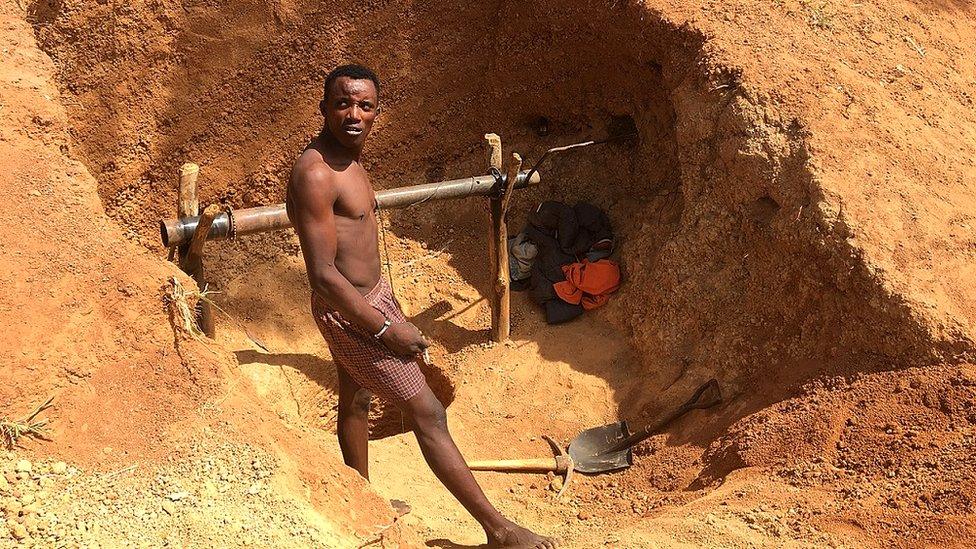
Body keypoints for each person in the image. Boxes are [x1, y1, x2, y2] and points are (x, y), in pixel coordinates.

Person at [286, 64, 556, 549]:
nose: (354, 114)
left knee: (356, 397)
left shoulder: (350, 158)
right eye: (343, 103)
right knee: (428, 411)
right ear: (323, 108)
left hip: (371, 298)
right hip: (351, 309)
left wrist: (385, 307)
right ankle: (499, 531)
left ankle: (360, 502)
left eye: (365, 106)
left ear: (377, 112)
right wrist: (387, 329)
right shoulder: (316, 172)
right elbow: (324, 276)